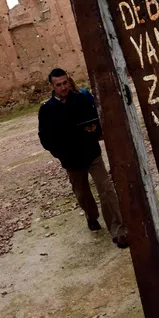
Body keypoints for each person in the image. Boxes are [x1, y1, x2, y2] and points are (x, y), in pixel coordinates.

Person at [38, 68, 129, 249]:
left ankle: (118, 230)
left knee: (106, 189)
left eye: (65, 83)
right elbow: (45, 138)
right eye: (59, 85)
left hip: (91, 154)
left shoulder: (82, 99)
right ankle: (91, 216)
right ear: (52, 86)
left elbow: (97, 118)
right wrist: (60, 154)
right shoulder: (47, 110)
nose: (63, 87)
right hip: (71, 160)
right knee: (83, 194)